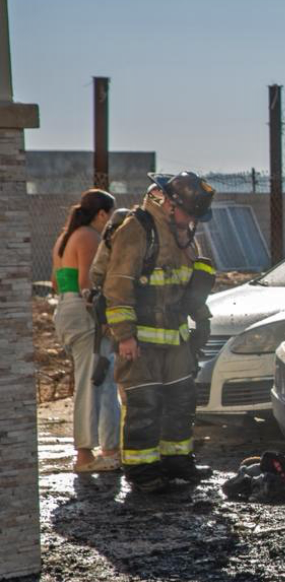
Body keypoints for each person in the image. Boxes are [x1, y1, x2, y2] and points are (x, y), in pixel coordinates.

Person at [100, 172, 216, 493]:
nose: (191, 221)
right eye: (188, 213)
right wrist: (124, 336)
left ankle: (177, 462)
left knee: (181, 400)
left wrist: (201, 320)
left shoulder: (184, 237)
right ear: (167, 203)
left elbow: (189, 286)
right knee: (145, 405)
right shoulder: (137, 230)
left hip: (176, 339)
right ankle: (142, 471)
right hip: (140, 342)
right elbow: (117, 285)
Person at [50, 189, 122, 473]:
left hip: (66, 311)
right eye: (111, 216)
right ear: (102, 214)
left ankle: (108, 450)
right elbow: (87, 283)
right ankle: (85, 455)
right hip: (85, 314)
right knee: (91, 384)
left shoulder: (65, 238)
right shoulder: (90, 237)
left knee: (100, 381)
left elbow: (57, 284)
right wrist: (105, 318)